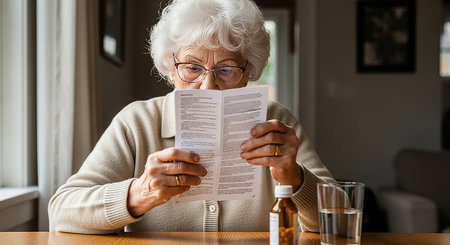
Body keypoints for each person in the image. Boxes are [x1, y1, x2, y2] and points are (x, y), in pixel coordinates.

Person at [48, 0, 334, 234]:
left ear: (248, 74)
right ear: (171, 68)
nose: (208, 86)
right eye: (192, 67)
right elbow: (62, 212)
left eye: (227, 70)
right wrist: (140, 192)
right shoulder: (137, 121)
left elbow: (338, 218)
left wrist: (295, 177)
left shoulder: (275, 121)